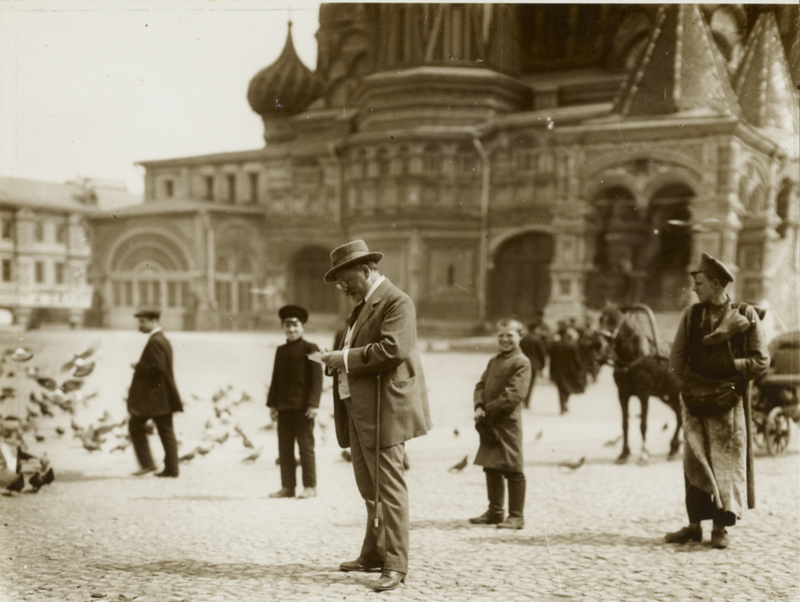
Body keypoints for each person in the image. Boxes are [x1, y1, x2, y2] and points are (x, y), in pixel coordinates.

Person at [320, 240, 432, 593]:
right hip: (358, 406)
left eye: (346, 279)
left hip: (385, 409)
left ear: (367, 270)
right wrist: (335, 360)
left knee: (390, 489)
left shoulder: (397, 302)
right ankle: (373, 554)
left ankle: (396, 565)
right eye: (338, 283)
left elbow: (393, 349)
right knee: (369, 488)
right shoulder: (362, 306)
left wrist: (345, 359)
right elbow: (355, 350)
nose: (343, 288)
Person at [667, 252, 769, 549]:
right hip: (695, 400)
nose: (694, 288)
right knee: (694, 462)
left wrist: (729, 367)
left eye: (699, 282)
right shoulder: (692, 315)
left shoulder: (745, 314)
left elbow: (761, 361)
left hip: (727, 402)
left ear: (715, 283)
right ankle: (694, 525)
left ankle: (720, 529)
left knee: (724, 463)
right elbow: (676, 358)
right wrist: (686, 386)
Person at [470, 317, 532, 530]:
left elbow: (513, 395)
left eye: (510, 335)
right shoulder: (494, 361)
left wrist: (488, 410)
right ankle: (495, 512)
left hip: (507, 423)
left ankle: (516, 516)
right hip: (489, 422)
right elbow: (480, 384)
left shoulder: (521, 362)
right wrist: (478, 405)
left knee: (513, 468)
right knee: (491, 466)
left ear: (520, 337)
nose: (505, 340)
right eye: (501, 336)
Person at [267, 305, 323, 499]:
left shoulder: (311, 348)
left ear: (303, 327)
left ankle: (310, 486)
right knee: (284, 449)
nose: (291, 329)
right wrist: (272, 405)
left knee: (306, 447)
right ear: (283, 327)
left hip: (303, 408)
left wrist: (314, 404)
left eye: (295, 325)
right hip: (284, 407)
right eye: (287, 325)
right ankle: (287, 487)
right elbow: (275, 379)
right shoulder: (280, 350)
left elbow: (317, 378)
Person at [127, 308, 183, 478]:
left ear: (153, 321)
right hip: (161, 396)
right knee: (166, 431)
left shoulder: (156, 341)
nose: (140, 325)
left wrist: (138, 367)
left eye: (142, 322)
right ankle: (170, 469)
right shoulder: (161, 339)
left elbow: (158, 368)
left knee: (136, 426)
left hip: (155, 398)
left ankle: (149, 464)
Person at [548, 326, 586, 415]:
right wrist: (579, 368)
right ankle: (565, 403)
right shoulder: (572, 345)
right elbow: (576, 359)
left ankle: (562, 406)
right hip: (569, 370)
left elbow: (551, 359)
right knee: (568, 388)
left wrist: (551, 371)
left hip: (558, 370)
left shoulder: (555, 345)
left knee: (560, 389)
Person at [519, 322, 547, 409]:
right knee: (530, 384)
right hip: (533, 366)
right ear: (534, 330)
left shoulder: (523, 339)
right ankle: (526, 403)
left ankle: (521, 401)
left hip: (522, 364)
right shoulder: (537, 340)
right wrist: (542, 365)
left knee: (522, 383)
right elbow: (541, 354)